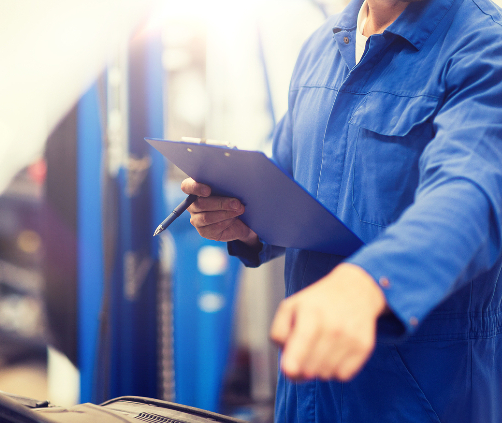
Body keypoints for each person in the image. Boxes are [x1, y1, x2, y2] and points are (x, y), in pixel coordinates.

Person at [181, 0, 502, 420]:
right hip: (306, 393)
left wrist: (370, 283)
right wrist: (241, 220)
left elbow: (471, 192)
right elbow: (292, 181)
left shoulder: (484, 47)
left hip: (421, 396)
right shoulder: (323, 46)